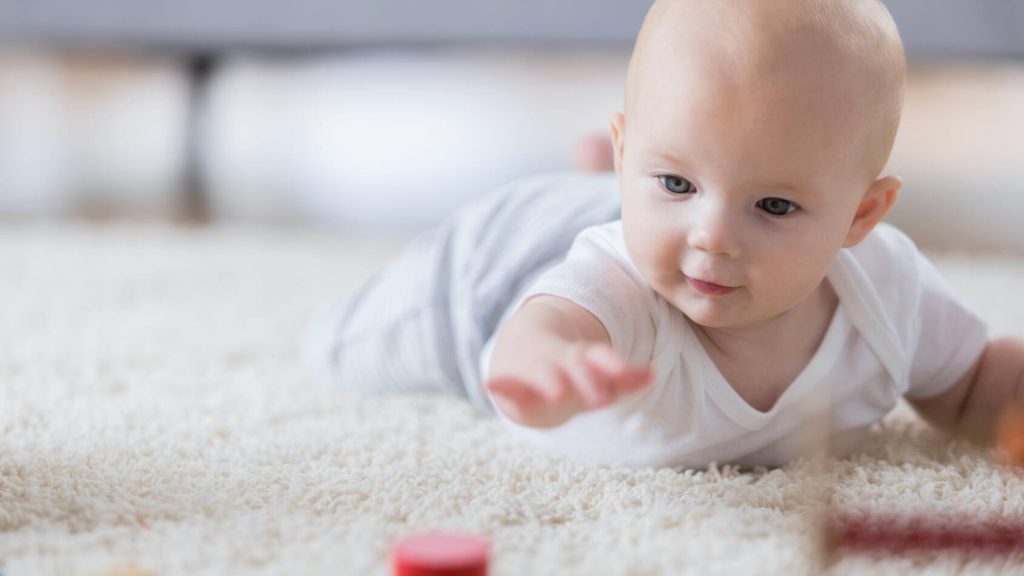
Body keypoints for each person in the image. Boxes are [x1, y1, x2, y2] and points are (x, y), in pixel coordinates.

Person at [305, 0, 1024, 469]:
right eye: (679, 183)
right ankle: (602, 186)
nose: (713, 238)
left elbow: (970, 386)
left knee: (676, 194)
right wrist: (550, 368)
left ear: (862, 217)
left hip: (623, 206)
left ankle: (624, 182)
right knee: (334, 351)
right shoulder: (616, 287)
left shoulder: (888, 290)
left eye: (773, 205)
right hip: (492, 274)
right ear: (630, 153)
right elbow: (545, 330)